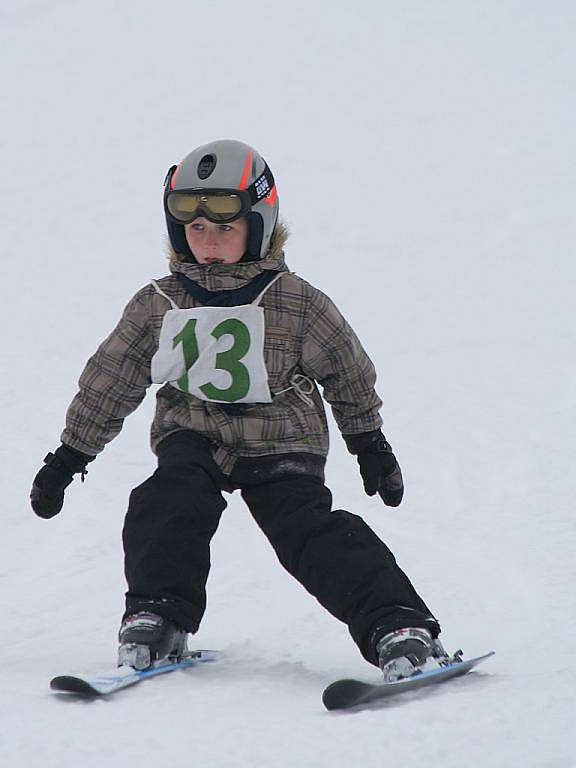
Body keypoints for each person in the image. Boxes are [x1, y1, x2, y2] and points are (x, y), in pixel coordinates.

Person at [30, 139, 446, 682]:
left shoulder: (295, 301)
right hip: (195, 434)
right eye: (195, 230)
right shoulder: (160, 301)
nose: (209, 243)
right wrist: (68, 456)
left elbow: (348, 371)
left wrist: (370, 444)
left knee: (308, 533)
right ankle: (157, 615)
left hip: (281, 442)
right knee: (166, 502)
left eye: (225, 228)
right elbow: (112, 379)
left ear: (260, 224)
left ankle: (399, 626)